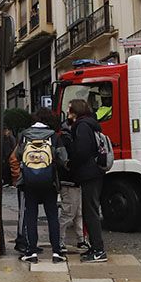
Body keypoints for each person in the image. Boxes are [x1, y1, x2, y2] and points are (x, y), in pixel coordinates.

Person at [14, 108, 67, 264]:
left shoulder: (24, 135)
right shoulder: (53, 136)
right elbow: (63, 157)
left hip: (29, 182)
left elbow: (18, 155)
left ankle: (31, 252)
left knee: (31, 216)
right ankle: (56, 252)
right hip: (49, 181)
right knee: (52, 216)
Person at [68, 98, 108, 263]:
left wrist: (71, 163)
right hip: (95, 172)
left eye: (70, 109)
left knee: (90, 212)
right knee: (90, 210)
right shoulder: (91, 124)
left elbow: (82, 151)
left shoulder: (82, 126)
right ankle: (95, 247)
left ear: (76, 111)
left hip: (89, 173)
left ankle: (98, 250)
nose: (68, 113)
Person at [58, 107, 86, 252]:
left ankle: (81, 239)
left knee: (77, 212)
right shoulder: (67, 137)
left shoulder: (65, 136)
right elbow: (67, 160)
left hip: (72, 179)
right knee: (69, 212)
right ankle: (60, 241)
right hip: (70, 180)